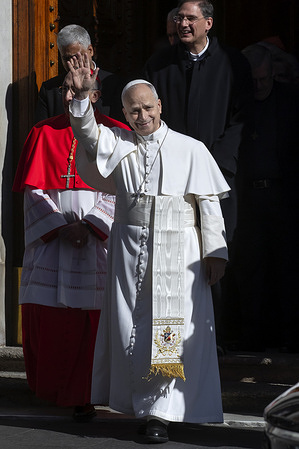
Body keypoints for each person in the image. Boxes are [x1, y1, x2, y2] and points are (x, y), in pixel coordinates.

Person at [68, 52, 230, 444]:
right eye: (132, 110)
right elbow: (87, 133)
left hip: (178, 251)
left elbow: (208, 203)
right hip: (129, 250)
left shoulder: (190, 148)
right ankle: (142, 404)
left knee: (168, 328)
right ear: (123, 113)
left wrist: (216, 252)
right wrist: (81, 98)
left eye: (146, 108)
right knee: (132, 327)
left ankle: (163, 409)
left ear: (160, 106)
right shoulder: (118, 143)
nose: (141, 116)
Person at [13, 72, 130, 420]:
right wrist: (59, 227)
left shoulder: (114, 134)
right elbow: (33, 192)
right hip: (53, 245)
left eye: (76, 90)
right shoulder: (42, 132)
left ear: (94, 97)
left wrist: (91, 225)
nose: (68, 95)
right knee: (50, 315)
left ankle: (87, 392)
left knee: (91, 320)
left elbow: (123, 189)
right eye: (64, 89)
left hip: (97, 246)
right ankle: (50, 388)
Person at [142, 0, 254, 348]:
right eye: (179, 18)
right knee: (175, 256)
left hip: (219, 178)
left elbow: (242, 118)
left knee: (218, 254)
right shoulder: (160, 65)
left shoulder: (233, 63)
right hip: (172, 181)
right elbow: (148, 117)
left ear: (208, 23)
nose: (183, 23)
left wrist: (213, 163)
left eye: (190, 18)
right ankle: (174, 343)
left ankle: (221, 338)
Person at [230, 44, 299, 351]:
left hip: (283, 196)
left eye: (264, 80)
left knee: (287, 267)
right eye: (254, 81)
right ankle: (251, 336)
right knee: (249, 267)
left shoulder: (290, 103)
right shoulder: (239, 105)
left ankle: (290, 336)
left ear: (272, 73)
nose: (259, 86)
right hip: (247, 199)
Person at [34, 24, 123, 123]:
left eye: (76, 57)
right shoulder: (50, 90)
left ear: (90, 50)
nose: (72, 63)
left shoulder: (114, 84)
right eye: (66, 58)